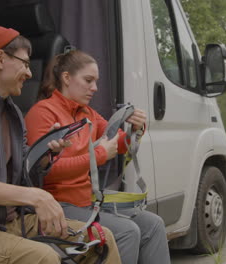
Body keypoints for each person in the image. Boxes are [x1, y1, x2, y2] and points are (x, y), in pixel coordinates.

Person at [0, 26, 121, 264]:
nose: (30, 74)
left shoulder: (13, 112)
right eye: (25, 63)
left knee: (102, 239)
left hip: (14, 221)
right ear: (0, 59)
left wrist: (46, 154)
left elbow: (25, 168)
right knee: (44, 257)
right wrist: (35, 197)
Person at [25, 50, 171, 264]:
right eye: (88, 80)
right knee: (127, 232)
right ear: (66, 78)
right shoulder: (43, 113)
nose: (94, 88)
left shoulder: (88, 114)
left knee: (154, 224)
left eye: (96, 81)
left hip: (87, 203)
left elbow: (121, 144)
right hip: (57, 206)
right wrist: (100, 155)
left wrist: (136, 129)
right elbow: (45, 171)